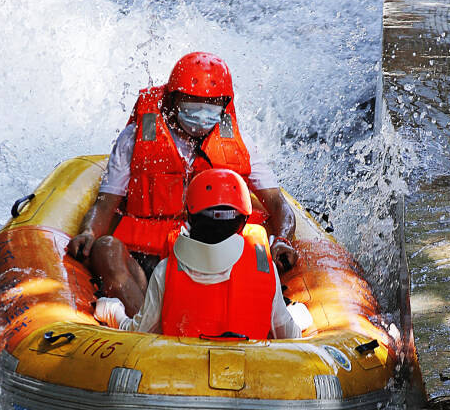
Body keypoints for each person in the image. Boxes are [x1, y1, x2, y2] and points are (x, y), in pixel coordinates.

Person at [67, 52, 297, 316]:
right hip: (148, 257)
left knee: (257, 248)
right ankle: (146, 325)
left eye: (211, 104)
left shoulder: (239, 142)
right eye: (193, 103)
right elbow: (105, 204)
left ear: (224, 104)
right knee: (105, 248)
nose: (202, 113)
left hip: (215, 258)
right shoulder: (135, 137)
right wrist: (88, 232)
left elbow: (278, 204)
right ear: (173, 99)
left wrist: (282, 240)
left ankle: (224, 319)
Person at [94, 169, 308, 339]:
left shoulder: (165, 271)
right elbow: (289, 335)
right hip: (247, 369)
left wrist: (113, 311)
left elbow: (139, 332)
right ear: (243, 222)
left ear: (190, 218)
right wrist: (299, 317)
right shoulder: (265, 269)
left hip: (180, 370)